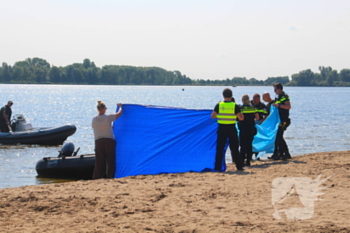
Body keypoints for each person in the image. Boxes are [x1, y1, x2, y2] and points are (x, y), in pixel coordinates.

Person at [211, 88, 244, 171]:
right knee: (234, 148)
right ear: (231, 95)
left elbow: (213, 116)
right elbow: (241, 118)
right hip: (231, 128)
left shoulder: (219, 105)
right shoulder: (235, 105)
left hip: (222, 128)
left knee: (220, 149)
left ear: (223, 95)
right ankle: (239, 167)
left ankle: (217, 167)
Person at [92, 100, 123, 179]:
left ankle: (98, 177)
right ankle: (110, 176)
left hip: (98, 141)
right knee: (110, 160)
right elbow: (119, 113)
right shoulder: (108, 117)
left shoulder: (94, 119)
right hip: (108, 141)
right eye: (105, 108)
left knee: (99, 161)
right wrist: (121, 107)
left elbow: (97, 127)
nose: (106, 109)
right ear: (103, 109)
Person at [271, 83, 292, 160]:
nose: (274, 91)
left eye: (275, 89)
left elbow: (288, 106)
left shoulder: (285, 96)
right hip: (279, 121)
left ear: (279, 89)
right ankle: (280, 154)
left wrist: (279, 105)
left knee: (279, 136)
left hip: (284, 120)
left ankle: (286, 153)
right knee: (278, 137)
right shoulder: (278, 97)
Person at [238, 95, 259, 166]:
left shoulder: (240, 108)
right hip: (251, 128)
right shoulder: (253, 107)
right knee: (249, 144)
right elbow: (257, 117)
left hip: (243, 128)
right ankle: (248, 161)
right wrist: (253, 121)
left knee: (242, 145)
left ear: (243, 100)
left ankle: (242, 160)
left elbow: (238, 117)